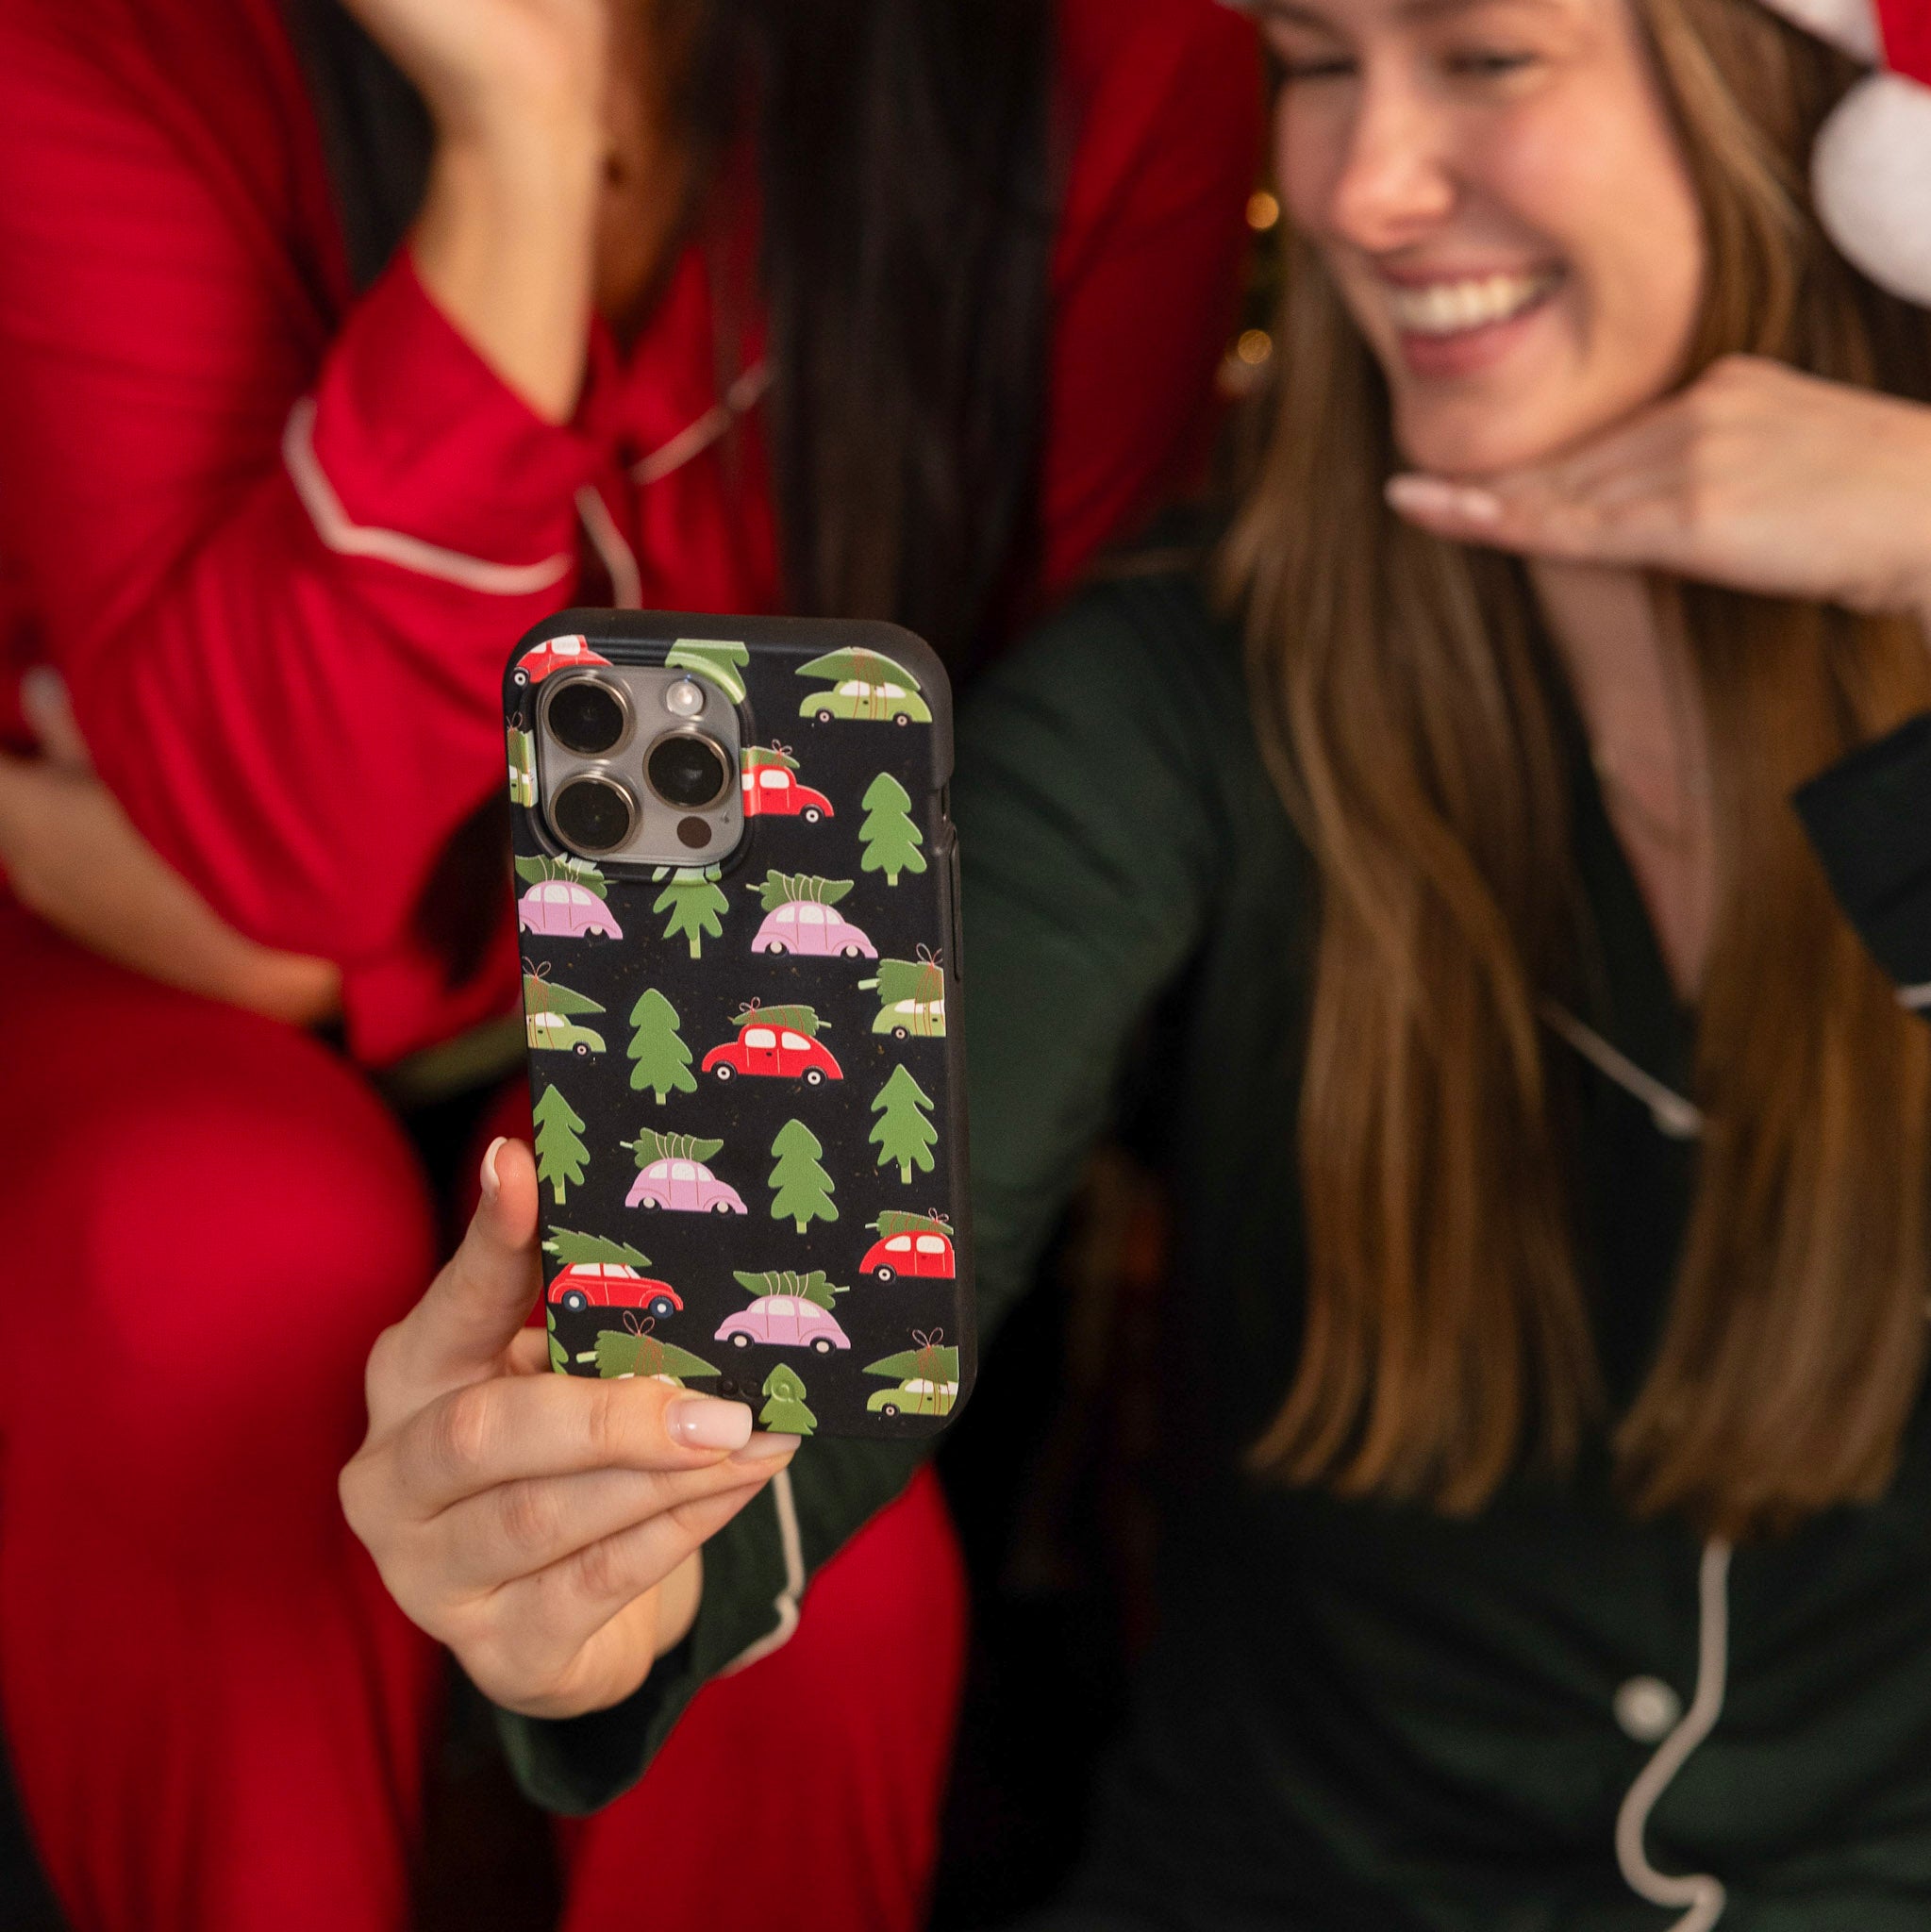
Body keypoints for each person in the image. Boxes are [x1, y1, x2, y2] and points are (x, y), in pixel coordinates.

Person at [344, 0, 1931, 1920]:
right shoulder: (1186, 687)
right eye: (1319, 63)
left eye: (1485, 60)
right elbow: (845, 1281)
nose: (1360, 184)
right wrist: (608, 1569)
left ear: (1789, 109)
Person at [0, 1, 1261, 1927]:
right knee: (201, 1272)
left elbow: (1036, 794)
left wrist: (347, 950)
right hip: (158, 977)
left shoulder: (1116, 58)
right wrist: (521, 137)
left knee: (773, 1531)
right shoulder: (103, 47)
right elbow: (292, 838)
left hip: (754, 940)